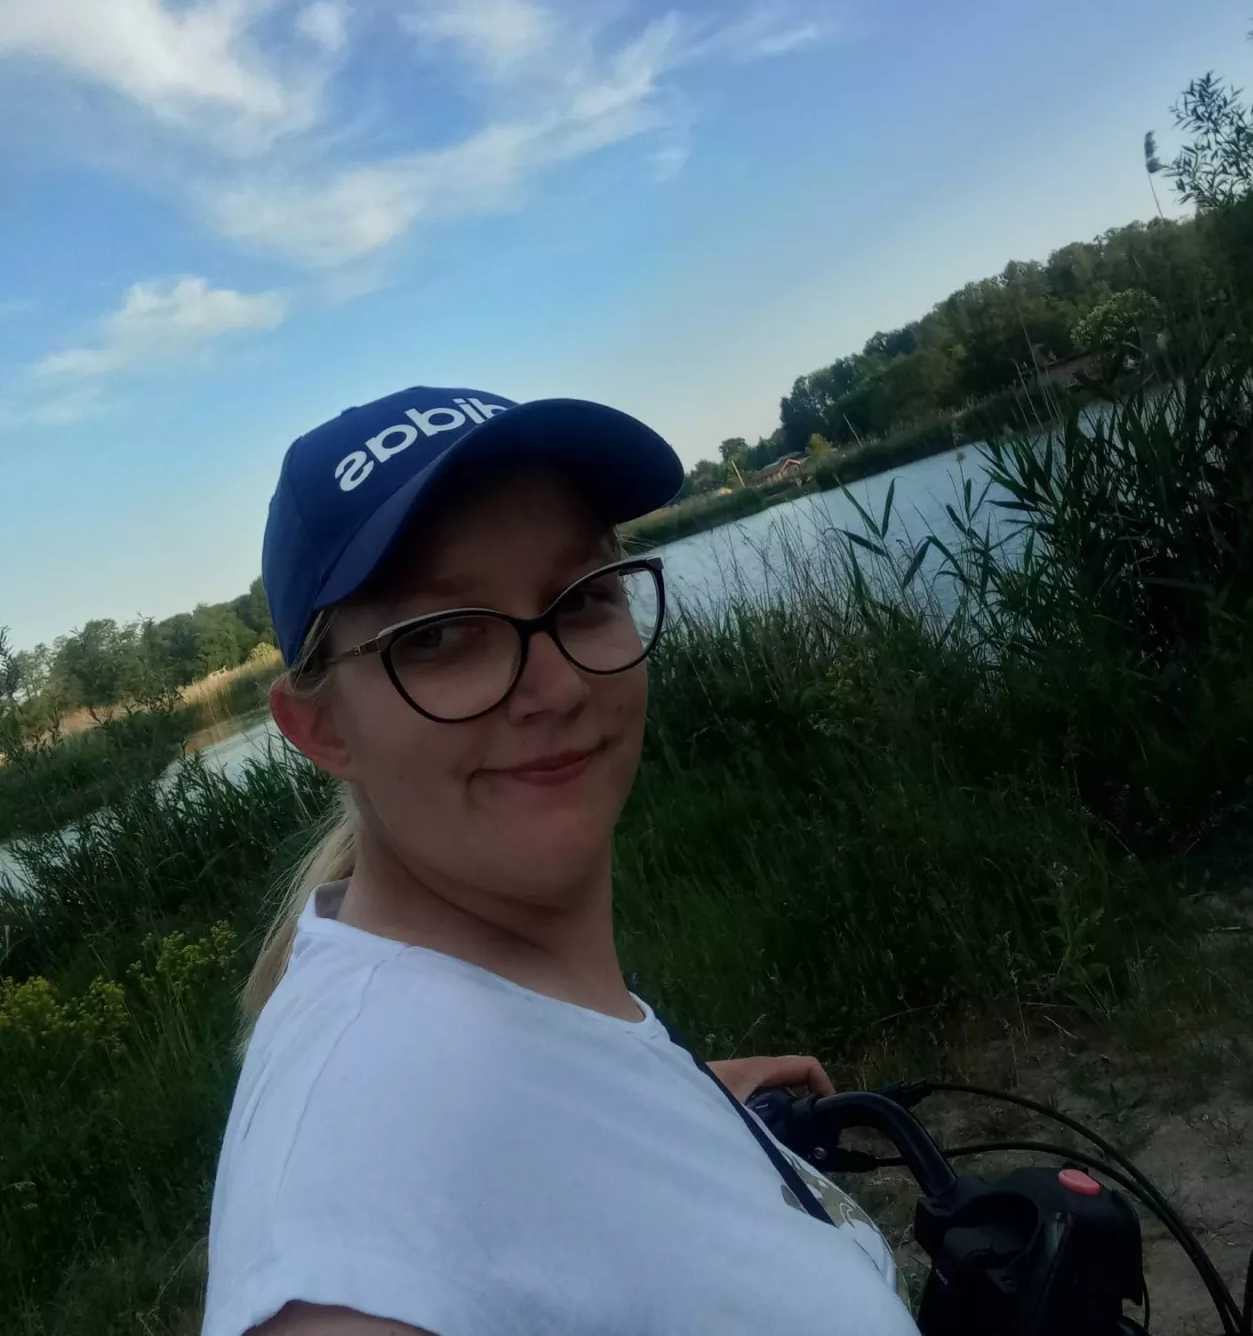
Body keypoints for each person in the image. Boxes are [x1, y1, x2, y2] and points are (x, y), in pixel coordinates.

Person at [202, 385, 917, 1336]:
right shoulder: (348, 1233)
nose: (557, 685)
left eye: (583, 597)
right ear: (320, 727)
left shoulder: (461, 1018)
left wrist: (668, 1111)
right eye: (438, 635)